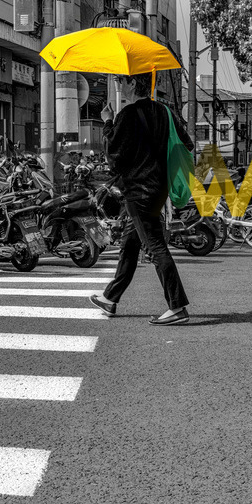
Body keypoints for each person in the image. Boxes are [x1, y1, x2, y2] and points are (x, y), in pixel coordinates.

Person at [90, 72, 195, 325]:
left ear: (133, 83)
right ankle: (110, 298)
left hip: (138, 192)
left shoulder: (128, 115)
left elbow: (114, 158)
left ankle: (177, 306)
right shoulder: (165, 112)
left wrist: (107, 122)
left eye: (120, 81)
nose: (118, 85)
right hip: (158, 190)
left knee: (155, 247)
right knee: (129, 244)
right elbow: (187, 144)